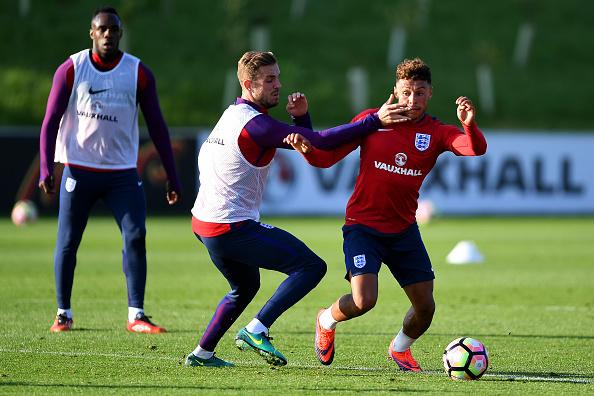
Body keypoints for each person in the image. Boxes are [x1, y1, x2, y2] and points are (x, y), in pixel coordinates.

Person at [185, 50, 410, 368]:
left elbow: (306, 141)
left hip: (204, 223)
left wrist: (300, 120)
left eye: (278, 76)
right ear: (249, 84)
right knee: (311, 267)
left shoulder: (233, 115)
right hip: (230, 226)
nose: (278, 84)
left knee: (245, 287)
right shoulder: (256, 126)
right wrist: (375, 121)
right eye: (269, 79)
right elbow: (321, 141)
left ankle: (201, 354)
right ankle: (256, 329)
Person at [284, 57, 487, 371]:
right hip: (362, 227)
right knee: (364, 301)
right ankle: (326, 319)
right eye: (406, 92)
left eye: (420, 92)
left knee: (425, 308)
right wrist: (309, 150)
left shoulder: (437, 132)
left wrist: (469, 124)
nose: (412, 99)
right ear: (395, 90)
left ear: (430, 94)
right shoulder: (372, 120)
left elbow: (474, 149)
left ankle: (400, 348)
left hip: (404, 229)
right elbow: (327, 159)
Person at [39, 7, 181, 334]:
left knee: (136, 236)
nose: (107, 35)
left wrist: (172, 175)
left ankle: (137, 314)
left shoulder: (138, 72)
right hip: (79, 170)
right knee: (67, 241)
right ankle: (63, 313)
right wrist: (48, 167)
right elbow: (50, 122)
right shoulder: (72, 69)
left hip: (121, 174)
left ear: (120, 34)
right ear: (91, 33)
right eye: (101, 29)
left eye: (113, 30)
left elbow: (157, 126)